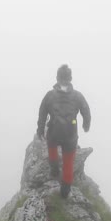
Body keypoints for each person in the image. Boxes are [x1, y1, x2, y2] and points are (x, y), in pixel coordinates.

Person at [37, 64, 91, 198]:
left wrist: (40, 128)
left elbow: (42, 112)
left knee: (52, 149)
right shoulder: (78, 96)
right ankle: (65, 192)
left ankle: (54, 170)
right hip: (70, 135)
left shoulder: (49, 95)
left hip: (54, 132)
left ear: (57, 78)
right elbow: (86, 111)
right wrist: (86, 125)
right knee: (68, 162)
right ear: (70, 78)